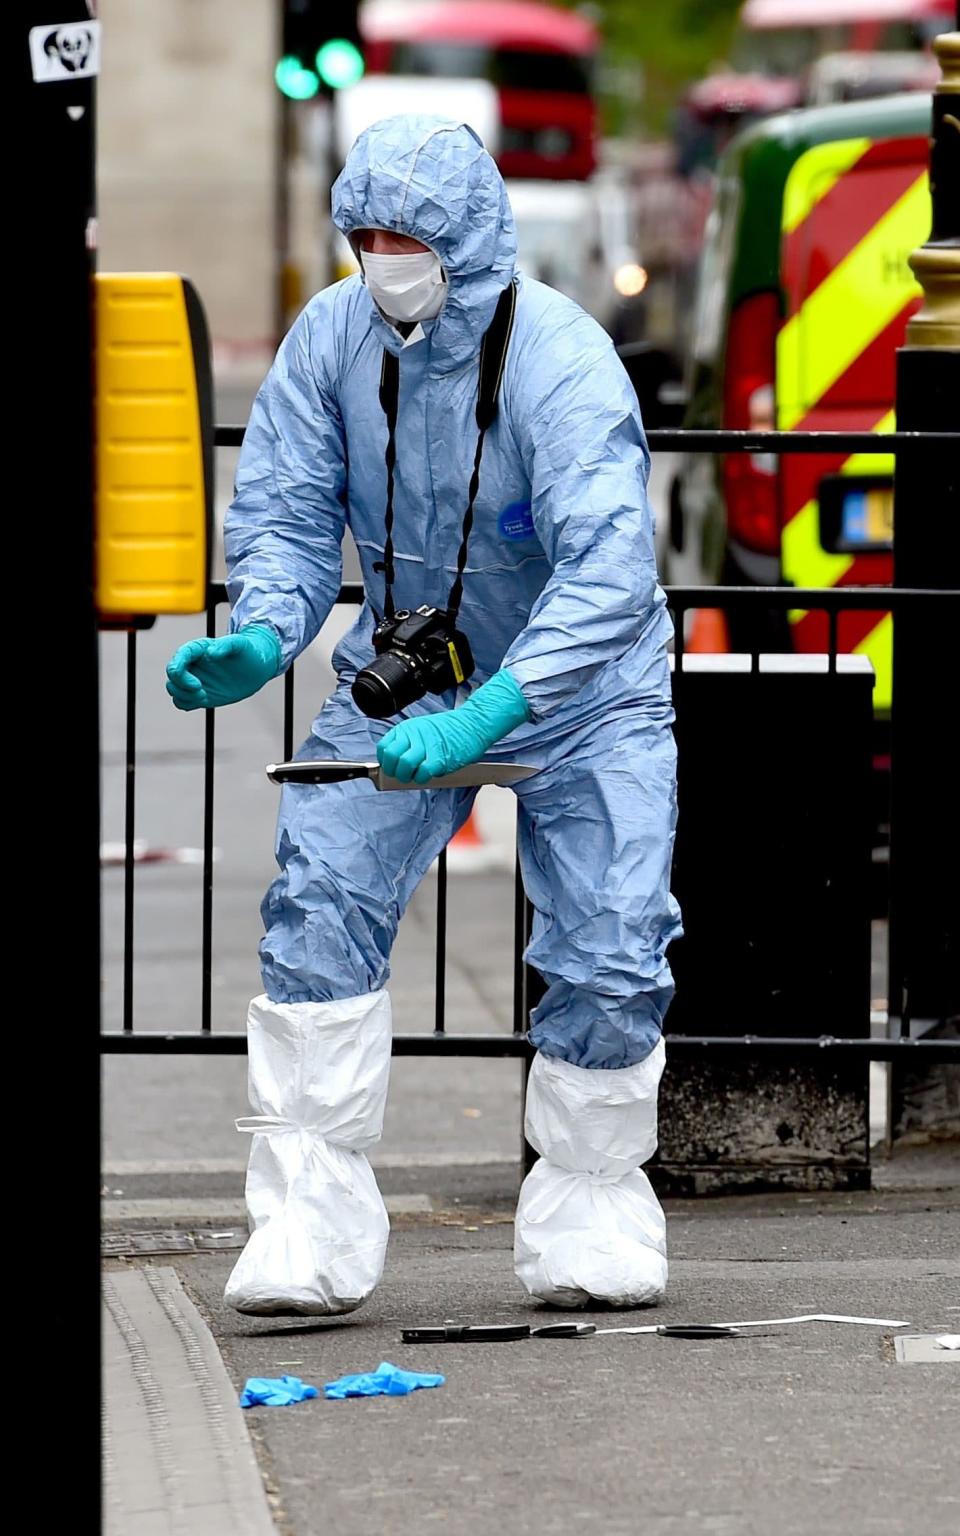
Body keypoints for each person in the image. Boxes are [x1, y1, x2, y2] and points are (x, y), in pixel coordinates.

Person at [166, 115, 682, 1317]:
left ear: (467, 237)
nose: (384, 254)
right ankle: (306, 1219)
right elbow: (289, 512)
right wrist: (266, 632)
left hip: (582, 692)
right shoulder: (334, 339)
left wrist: (497, 706)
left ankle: (593, 1206)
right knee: (319, 905)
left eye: (407, 235)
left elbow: (609, 571)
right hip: (411, 676)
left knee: (610, 944)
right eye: (366, 235)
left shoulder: (559, 357)